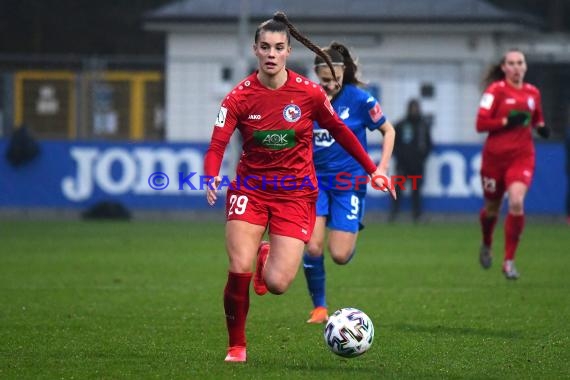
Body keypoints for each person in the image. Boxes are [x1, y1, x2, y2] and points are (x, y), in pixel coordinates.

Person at [204, 12, 396, 363]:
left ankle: (267, 257)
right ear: (256, 50)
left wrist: (373, 170)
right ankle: (237, 346)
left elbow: (341, 131)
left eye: (278, 47)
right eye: (265, 47)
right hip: (251, 190)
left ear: (288, 51)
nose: (271, 54)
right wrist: (210, 175)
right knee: (238, 266)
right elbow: (217, 144)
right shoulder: (238, 98)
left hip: (295, 195)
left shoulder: (307, 93)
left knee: (277, 284)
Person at [302, 42, 396, 324]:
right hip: (315, 183)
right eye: (324, 80)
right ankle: (319, 307)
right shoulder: (308, 98)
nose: (329, 86)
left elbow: (388, 130)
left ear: (344, 74)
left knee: (340, 255)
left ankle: (349, 226)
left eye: (334, 80)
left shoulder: (360, 100)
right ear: (317, 75)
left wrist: (381, 168)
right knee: (313, 247)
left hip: (348, 183)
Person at [476, 48, 550, 280]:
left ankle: (509, 261)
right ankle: (487, 242)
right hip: (494, 159)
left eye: (520, 62)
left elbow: (536, 118)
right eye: (512, 63)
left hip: (521, 156)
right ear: (504, 68)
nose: (517, 67)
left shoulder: (532, 93)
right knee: (491, 209)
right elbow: (480, 124)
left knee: (516, 202)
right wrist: (507, 121)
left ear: (525, 67)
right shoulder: (495, 91)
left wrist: (541, 128)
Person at [389, 98, 432, 222]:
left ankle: (416, 214)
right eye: (412, 108)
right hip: (402, 164)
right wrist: (399, 156)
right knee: (398, 190)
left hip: (417, 165)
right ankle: (394, 213)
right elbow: (392, 143)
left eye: (416, 108)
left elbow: (429, 144)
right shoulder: (401, 125)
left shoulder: (423, 125)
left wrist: (422, 158)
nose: (414, 111)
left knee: (416, 191)